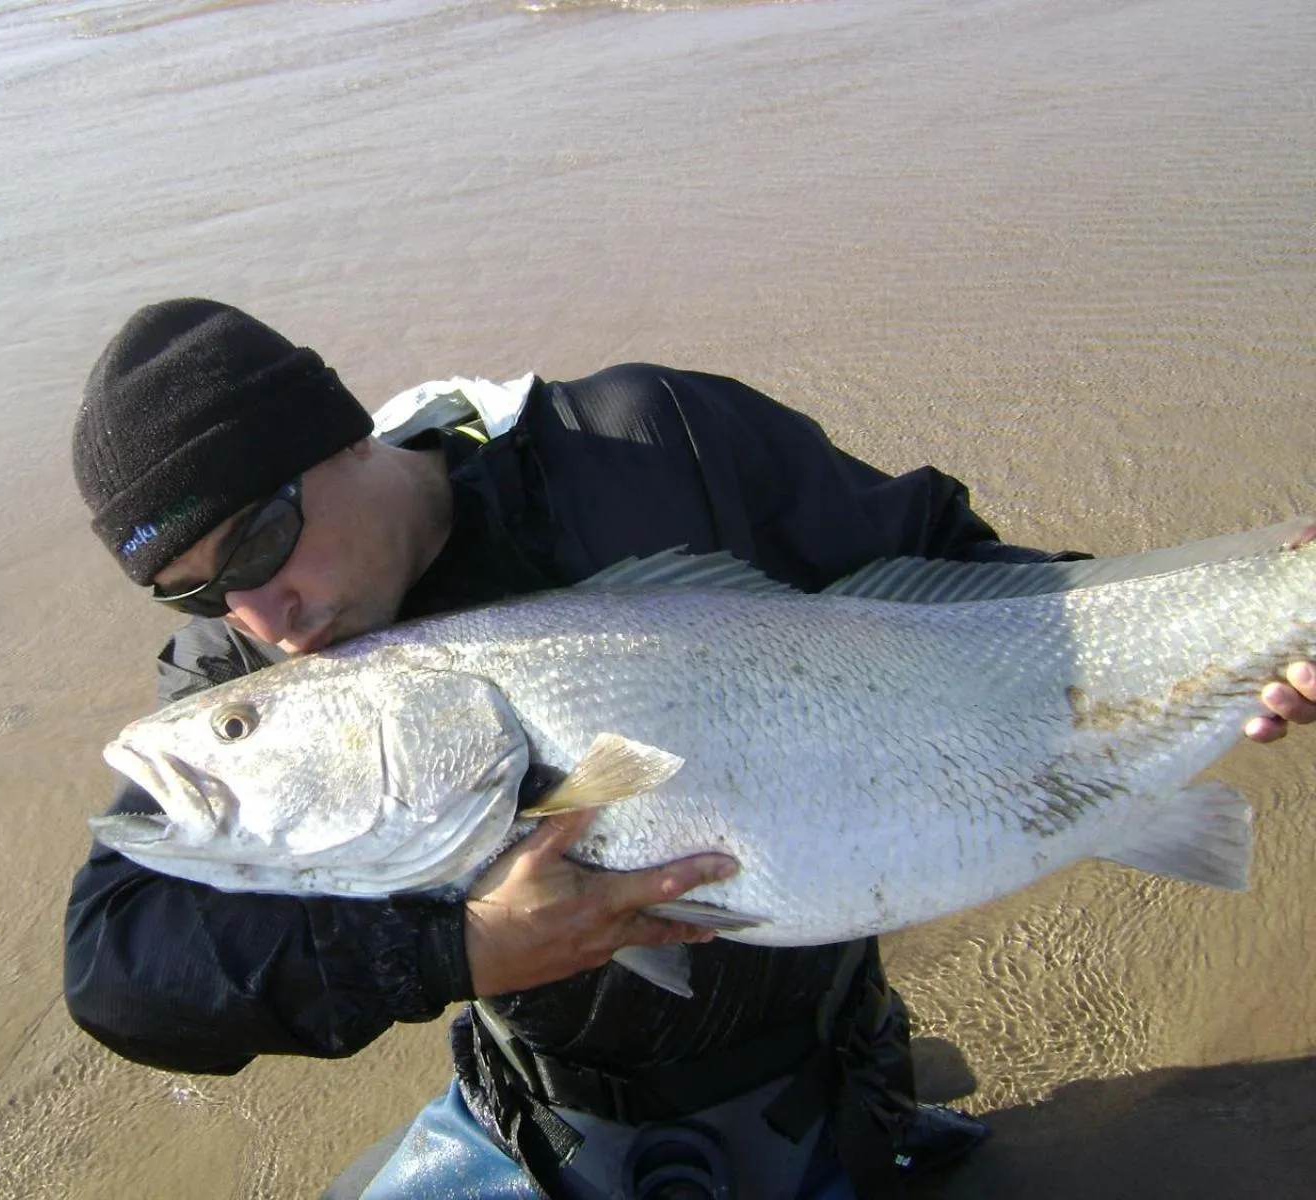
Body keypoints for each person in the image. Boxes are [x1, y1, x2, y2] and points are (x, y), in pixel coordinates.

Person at [65, 299, 1315, 1199]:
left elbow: (973, 580)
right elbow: (120, 962)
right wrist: (462, 948)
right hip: (548, 1118)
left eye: (259, 540)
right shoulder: (251, 665)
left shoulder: (651, 439)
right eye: (193, 591)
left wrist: (1231, 634)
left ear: (342, 434)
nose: (258, 615)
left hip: (832, 1076)